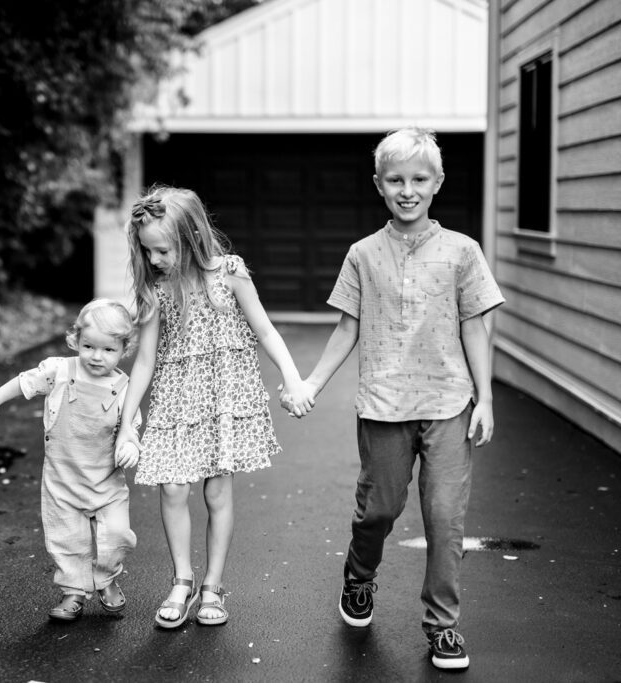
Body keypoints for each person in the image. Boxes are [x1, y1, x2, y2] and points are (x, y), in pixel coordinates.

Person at [285, 127, 504, 670]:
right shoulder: (362, 254)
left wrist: (486, 397)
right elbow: (346, 328)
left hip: (449, 402)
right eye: (396, 179)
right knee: (379, 508)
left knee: (446, 516)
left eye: (419, 179)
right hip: (383, 403)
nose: (408, 189)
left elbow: (476, 326)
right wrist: (312, 382)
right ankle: (360, 576)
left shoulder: (462, 252)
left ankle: (443, 626)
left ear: (438, 183)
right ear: (379, 184)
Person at [113, 185, 314, 630]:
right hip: (177, 396)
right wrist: (128, 423)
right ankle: (181, 580)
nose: (154, 260)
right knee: (171, 487)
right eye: (147, 252)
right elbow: (144, 359)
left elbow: (265, 331)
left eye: (162, 251)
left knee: (216, 492)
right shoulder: (157, 289)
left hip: (224, 395)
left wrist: (292, 377)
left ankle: (212, 585)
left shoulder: (231, 273)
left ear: (191, 237)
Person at [0, 299, 141, 621]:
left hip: (106, 481)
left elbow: (130, 427)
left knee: (117, 535)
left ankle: (106, 577)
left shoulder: (124, 388)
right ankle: (73, 592)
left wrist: (130, 445)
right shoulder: (60, 371)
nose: (96, 356)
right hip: (62, 479)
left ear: (124, 350)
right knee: (67, 540)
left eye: (108, 350)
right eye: (88, 346)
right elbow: (24, 383)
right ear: (75, 340)